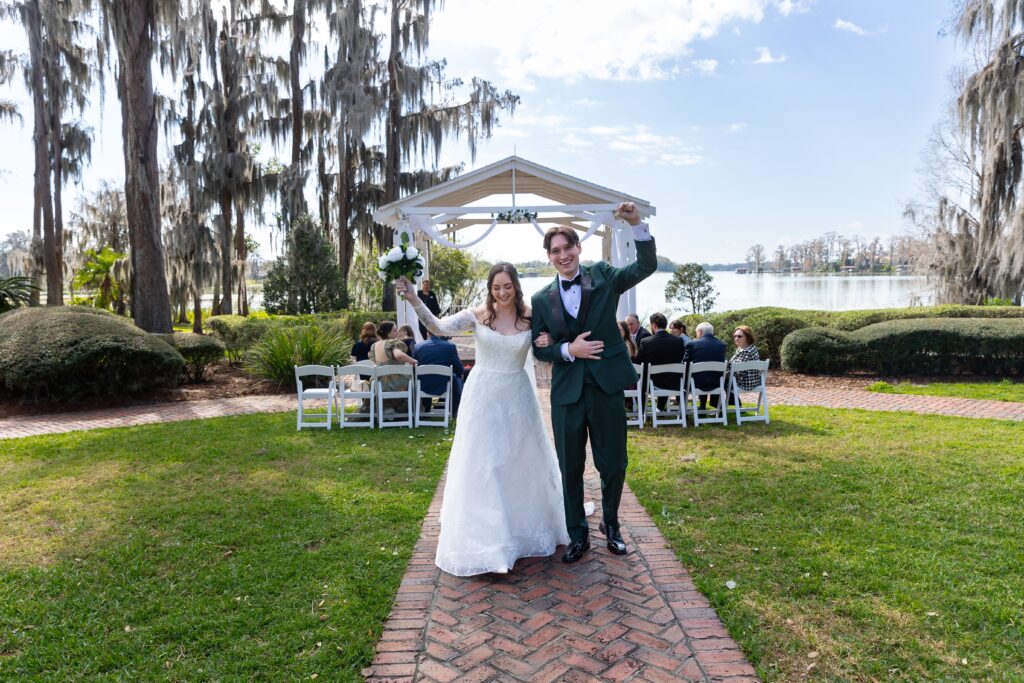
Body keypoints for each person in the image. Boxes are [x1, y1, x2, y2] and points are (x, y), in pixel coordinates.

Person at [398, 264, 569, 576]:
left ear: (516, 286)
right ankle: (492, 540)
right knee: (486, 462)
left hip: (517, 395)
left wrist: (547, 343)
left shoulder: (532, 316)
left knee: (518, 460)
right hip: (483, 396)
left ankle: (521, 527)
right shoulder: (477, 316)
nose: (502, 293)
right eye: (496, 288)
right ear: (490, 289)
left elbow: (552, 343)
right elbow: (437, 327)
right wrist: (413, 300)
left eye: (507, 286)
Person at [531, 201, 657, 563]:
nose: (563, 255)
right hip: (567, 394)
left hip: (605, 387)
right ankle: (577, 534)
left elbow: (645, 265)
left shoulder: (602, 275)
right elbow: (540, 350)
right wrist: (568, 349)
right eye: (555, 251)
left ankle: (612, 526)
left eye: (567, 247)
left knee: (614, 462)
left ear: (578, 248)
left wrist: (636, 224)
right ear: (549, 257)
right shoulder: (541, 300)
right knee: (569, 466)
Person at [635, 312, 687, 411]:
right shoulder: (679, 341)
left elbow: (639, 361)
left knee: (640, 379)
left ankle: (641, 412)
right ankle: (660, 408)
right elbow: (680, 358)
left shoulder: (646, 342)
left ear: (653, 325)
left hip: (652, 384)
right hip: (674, 382)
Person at [412, 328, 465, 415]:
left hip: (423, 385)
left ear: (428, 333)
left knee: (425, 377)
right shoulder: (450, 347)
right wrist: (460, 373)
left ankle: (426, 408)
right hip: (444, 385)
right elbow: (459, 368)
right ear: (440, 333)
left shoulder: (418, 347)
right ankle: (454, 410)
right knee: (458, 377)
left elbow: (414, 366)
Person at [369, 320, 417, 414]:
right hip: (394, 382)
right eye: (395, 330)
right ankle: (406, 411)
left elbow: (374, 361)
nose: (397, 332)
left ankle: (388, 410)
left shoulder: (375, 345)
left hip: (378, 382)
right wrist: (414, 361)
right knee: (414, 382)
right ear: (388, 333)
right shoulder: (392, 343)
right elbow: (398, 355)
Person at [682, 321, 727, 410]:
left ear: (700, 332)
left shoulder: (692, 344)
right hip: (717, 383)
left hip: (696, 384)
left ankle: (683, 411)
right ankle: (704, 406)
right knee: (706, 374)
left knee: (684, 380)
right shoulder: (721, 345)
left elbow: (685, 364)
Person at [728, 325, 762, 405]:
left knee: (719, 382)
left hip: (746, 382)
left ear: (748, 337)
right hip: (753, 381)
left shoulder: (746, 351)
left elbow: (737, 371)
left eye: (739, 336)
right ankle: (734, 406)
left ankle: (720, 409)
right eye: (735, 336)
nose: (736, 338)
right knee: (723, 381)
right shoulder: (748, 348)